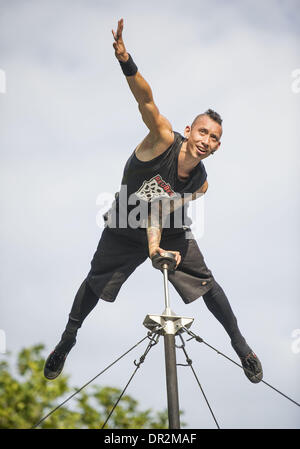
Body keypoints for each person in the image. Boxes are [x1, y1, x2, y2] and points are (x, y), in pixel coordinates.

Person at [44, 18, 263, 384]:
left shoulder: (200, 183)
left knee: (207, 283)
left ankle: (242, 347)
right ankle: (67, 340)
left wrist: (160, 246)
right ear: (190, 131)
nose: (206, 140)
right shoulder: (162, 138)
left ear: (217, 146)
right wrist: (125, 60)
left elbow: (160, 209)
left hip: (168, 228)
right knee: (96, 283)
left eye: (214, 138)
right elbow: (145, 98)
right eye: (202, 131)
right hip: (124, 222)